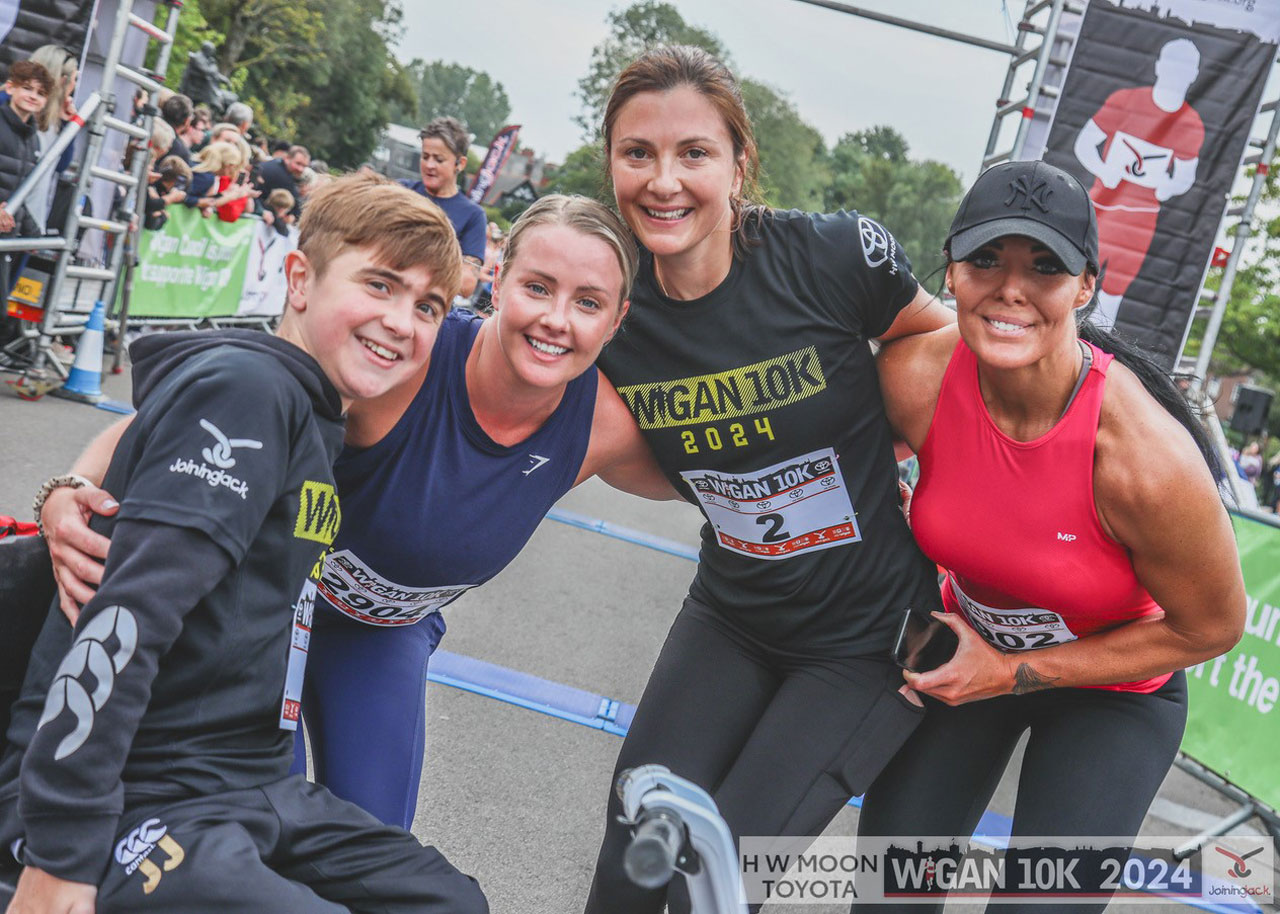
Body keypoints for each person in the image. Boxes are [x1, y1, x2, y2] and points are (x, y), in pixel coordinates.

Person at [40, 194, 677, 833]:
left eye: (588, 303)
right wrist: (70, 487)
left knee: (372, 847)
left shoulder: (603, 426)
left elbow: (729, 486)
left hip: (381, 634)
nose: (556, 320)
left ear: (618, 319)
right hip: (269, 608)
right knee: (250, 826)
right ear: (497, 278)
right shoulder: (407, 361)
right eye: (538, 287)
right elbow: (214, 404)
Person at [0, 173, 488, 913]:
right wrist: (60, 847)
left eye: (428, 306)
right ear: (299, 279)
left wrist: (66, 485)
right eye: (380, 285)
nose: (403, 321)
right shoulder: (248, 390)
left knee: (451, 902)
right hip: (131, 792)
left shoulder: (310, 406)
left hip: (245, 781)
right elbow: (127, 617)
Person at [582, 45, 953, 914]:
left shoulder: (828, 257)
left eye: (694, 154)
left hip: (863, 642)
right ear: (612, 162)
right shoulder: (615, 303)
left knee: (713, 887)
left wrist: (908, 459)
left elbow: (937, 349)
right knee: (630, 868)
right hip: (732, 615)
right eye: (638, 153)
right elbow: (630, 458)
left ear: (740, 163)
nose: (663, 181)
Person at [859, 159, 1246, 912]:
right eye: (985, 260)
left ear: (1085, 286)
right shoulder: (915, 377)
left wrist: (1009, 674)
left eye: (1045, 266)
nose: (1010, 288)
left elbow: (1213, 627)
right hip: (967, 648)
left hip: (1115, 692)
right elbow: (841, 479)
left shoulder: (1145, 462)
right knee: (890, 891)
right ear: (952, 271)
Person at [1072, 37, 1204, 330]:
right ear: (1158, 66)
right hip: (1100, 211)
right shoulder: (1126, 100)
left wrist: (1164, 187)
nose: (1177, 75)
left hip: (1140, 220)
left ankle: (1093, 356)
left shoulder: (1191, 123)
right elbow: (1084, 143)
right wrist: (1104, 170)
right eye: (1172, 66)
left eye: (1184, 70)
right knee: (1072, 280)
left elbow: (1185, 178)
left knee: (1113, 294)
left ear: (1194, 76)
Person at [401, 116, 485, 298]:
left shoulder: (473, 215)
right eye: (425, 157)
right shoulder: (400, 191)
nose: (429, 165)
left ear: (460, 164)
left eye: (439, 160)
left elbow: (467, 283)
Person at [0, 60, 52, 237]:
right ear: (10, 88)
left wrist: (33, 234)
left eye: (41, 93)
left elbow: (19, 193)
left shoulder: (34, 140)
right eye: (27, 88)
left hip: (6, 235)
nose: (33, 96)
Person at [257, 144, 308, 219]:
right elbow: (296, 209)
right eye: (298, 163)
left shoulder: (275, 165)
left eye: (304, 166)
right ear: (287, 159)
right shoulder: (281, 176)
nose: (300, 169)